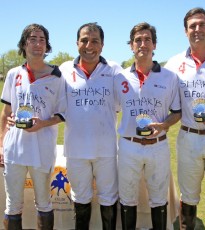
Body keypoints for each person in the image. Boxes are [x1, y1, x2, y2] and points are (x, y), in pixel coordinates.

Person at [165, 7, 205, 229]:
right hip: (189, 137)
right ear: (185, 31)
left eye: (202, 24)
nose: (197, 29)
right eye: (192, 26)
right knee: (189, 196)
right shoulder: (173, 64)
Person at [114, 22, 181, 229]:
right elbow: (111, 109)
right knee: (127, 198)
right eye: (138, 40)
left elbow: (177, 112)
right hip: (128, 145)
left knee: (159, 198)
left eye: (147, 40)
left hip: (157, 145)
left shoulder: (170, 77)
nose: (143, 44)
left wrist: (163, 125)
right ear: (131, 46)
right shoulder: (119, 77)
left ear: (155, 45)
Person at [0, 24, 66, 230]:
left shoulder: (57, 77)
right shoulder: (13, 74)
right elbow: (6, 114)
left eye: (42, 40)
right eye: (32, 39)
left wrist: (43, 124)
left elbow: (62, 115)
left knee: (44, 202)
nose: (38, 44)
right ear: (24, 44)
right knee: (13, 204)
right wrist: (1, 145)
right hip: (14, 149)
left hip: (42, 148)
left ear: (47, 46)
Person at [59, 22, 123, 230]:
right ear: (76, 43)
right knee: (81, 198)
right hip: (76, 151)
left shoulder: (114, 70)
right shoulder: (64, 70)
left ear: (102, 45)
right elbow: (52, 102)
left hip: (106, 150)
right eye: (84, 40)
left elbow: (125, 102)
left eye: (95, 41)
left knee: (108, 198)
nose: (89, 45)